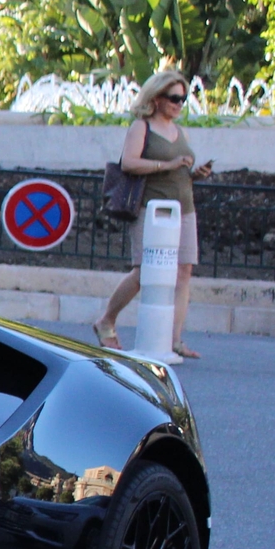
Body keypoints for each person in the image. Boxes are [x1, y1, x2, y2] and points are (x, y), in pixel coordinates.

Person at [94, 70, 213, 360]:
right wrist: (168, 164)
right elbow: (129, 163)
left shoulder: (179, 131)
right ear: (156, 98)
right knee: (145, 270)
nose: (179, 104)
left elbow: (178, 171)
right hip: (152, 208)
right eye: (173, 98)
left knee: (184, 270)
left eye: (183, 99)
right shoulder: (142, 127)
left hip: (183, 207)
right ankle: (107, 319)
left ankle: (174, 339)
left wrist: (195, 174)